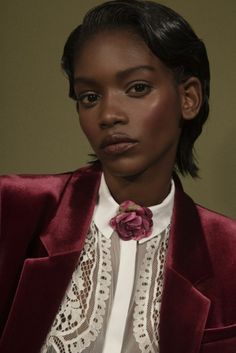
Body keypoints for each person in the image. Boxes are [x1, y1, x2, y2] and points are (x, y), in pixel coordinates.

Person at [0, 1, 236, 352]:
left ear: (189, 98)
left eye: (137, 87)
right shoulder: (13, 207)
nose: (108, 114)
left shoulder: (228, 251)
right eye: (90, 96)